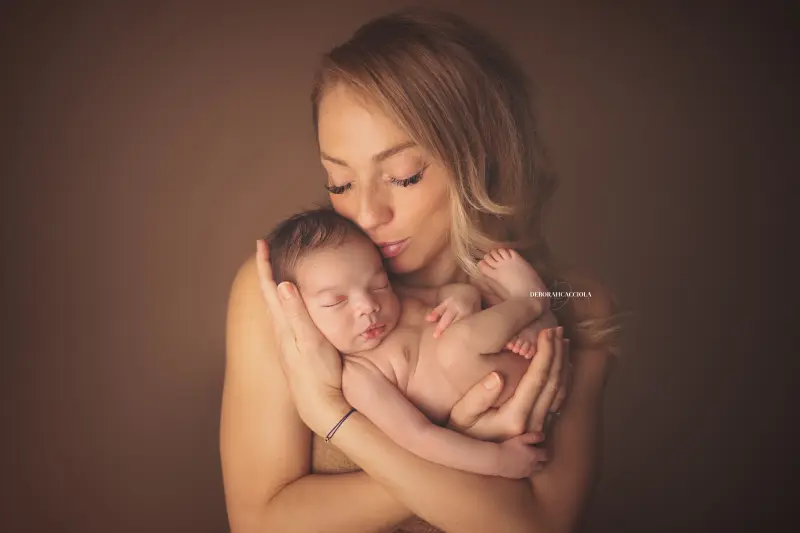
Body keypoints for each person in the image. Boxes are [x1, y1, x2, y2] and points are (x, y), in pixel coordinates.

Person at [221, 7, 621, 533]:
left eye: (404, 177)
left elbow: (538, 527)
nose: (367, 214)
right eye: (339, 183)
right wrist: (460, 438)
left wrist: (335, 420)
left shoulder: (575, 306)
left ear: (479, 156)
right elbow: (260, 523)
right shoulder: (291, 293)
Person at [264, 206, 560, 479]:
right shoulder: (358, 374)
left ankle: (539, 322)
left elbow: (449, 293)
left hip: (524, 357)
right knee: (455, 346)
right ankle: (533, 303)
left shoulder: (401, 300)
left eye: (379, 284)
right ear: (298, 314)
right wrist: (499, 460)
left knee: (479, 289)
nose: (368, 304)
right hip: (502, 395)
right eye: (336, 302)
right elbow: (418, 437)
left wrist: (460, 298)